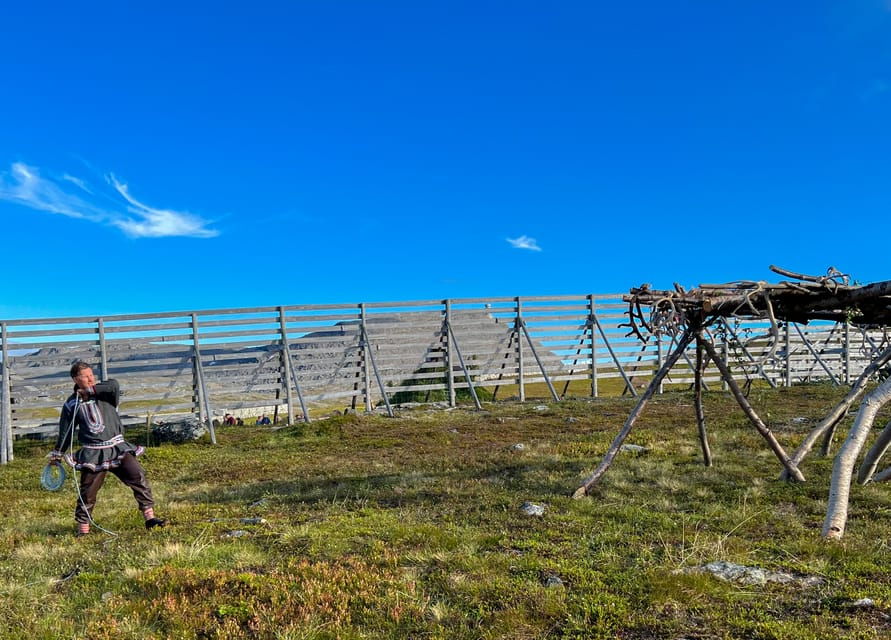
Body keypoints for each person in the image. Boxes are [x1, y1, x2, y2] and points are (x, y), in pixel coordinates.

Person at [50, 361, 165, 536]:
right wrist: (58, 454)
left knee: (138, 477)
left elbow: (114, 384)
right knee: (87, 492)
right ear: (75, 379)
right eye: (85, 376)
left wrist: (89, 391)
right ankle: (83, 530)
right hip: (93, 453)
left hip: (118, 448)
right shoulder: (72, 404)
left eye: (91, 374)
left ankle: (150, 519)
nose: (90, 378)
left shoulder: (105, 393)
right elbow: (66, 431)